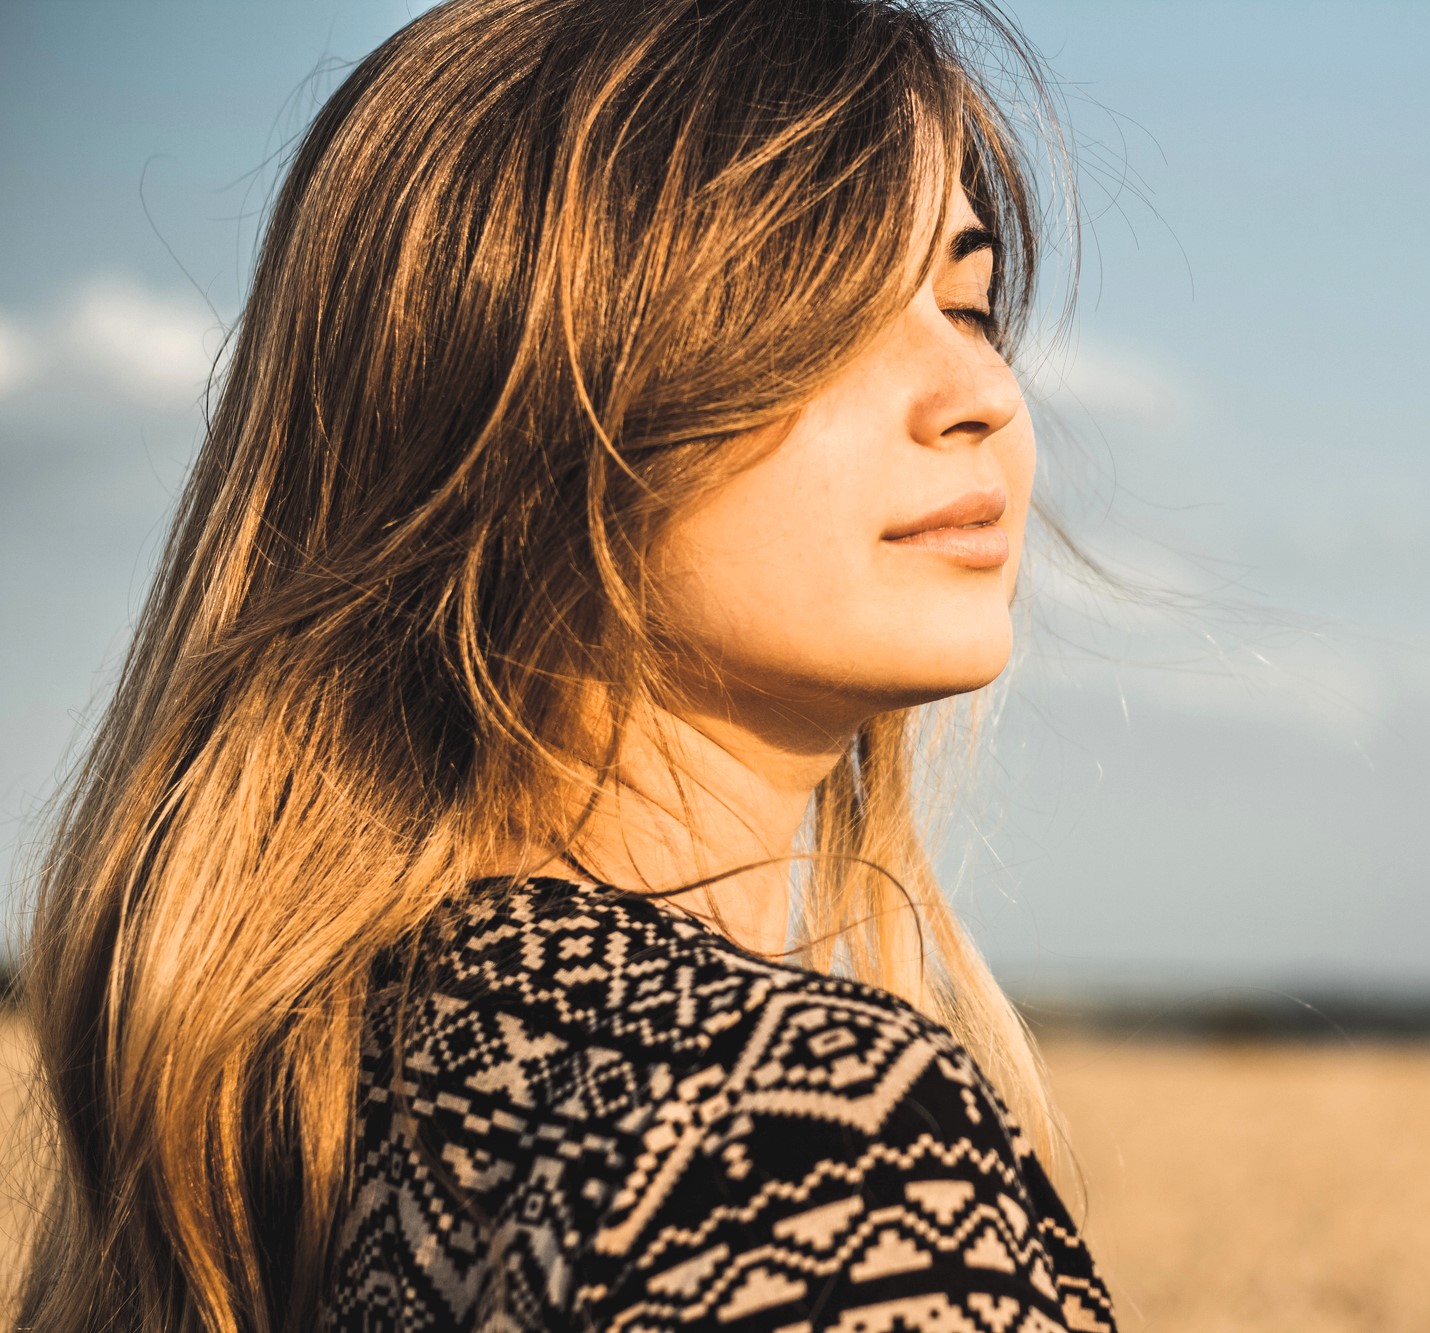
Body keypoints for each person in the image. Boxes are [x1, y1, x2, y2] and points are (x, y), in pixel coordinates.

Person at [13, 1, 1118, 1329]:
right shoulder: (803, 1140)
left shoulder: (323, 1107)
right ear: (506, 406)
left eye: (968, 302)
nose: (981, 392)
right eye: (816, 309)